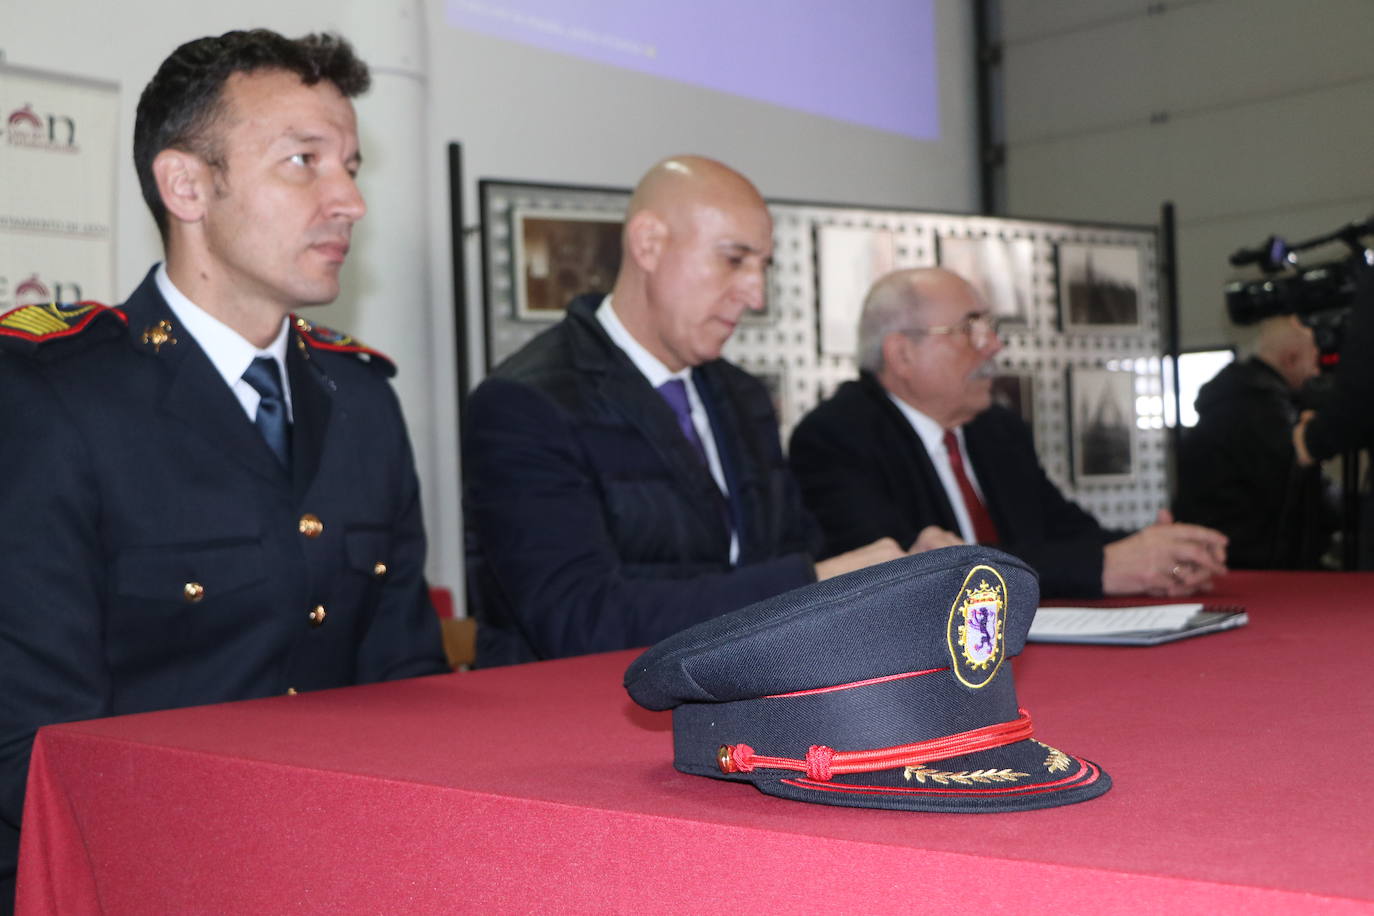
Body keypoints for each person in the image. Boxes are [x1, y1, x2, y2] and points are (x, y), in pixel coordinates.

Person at [0, 30, 446, 906]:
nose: (350, 198)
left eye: (350, 164)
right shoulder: (53, 398)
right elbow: (32, 749)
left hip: (343, 871)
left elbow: (408, 694)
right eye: (303, 162)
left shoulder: (362, 400)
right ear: (186, 185)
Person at [463, 155, 914, 666]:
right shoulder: (526, 403)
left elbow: (792, 548)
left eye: (762, 266)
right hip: (576, 719)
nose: (755, 293)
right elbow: (580, 619)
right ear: (649, 244)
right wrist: (812, 582)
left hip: (746, 714)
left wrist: (897, 569)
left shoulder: (742, 396)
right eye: (734, 259)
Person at [788, 267, 1229, 599]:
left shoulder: (996, 429)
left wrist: (1156, 550)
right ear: (902, 354)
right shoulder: (835, 438)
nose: (994, 345)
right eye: (970, 330)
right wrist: (1103, 565)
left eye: (991, 328)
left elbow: (1066, 533)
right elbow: (901, 575)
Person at [1175, 315, 1334, 568]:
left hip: (1217, 555)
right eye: (1313, 361)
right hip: (1249, 564)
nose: (1316, 372)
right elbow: (1297, 493)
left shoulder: (1232, 399)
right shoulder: (1266, 412)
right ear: (1290, 359)